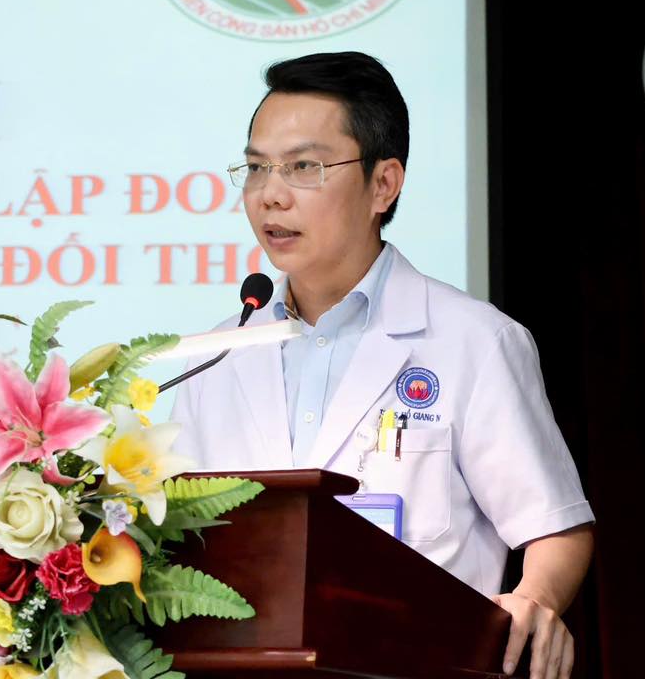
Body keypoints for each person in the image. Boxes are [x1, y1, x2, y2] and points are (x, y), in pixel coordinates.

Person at [169, 51, 594, 679]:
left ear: (383, 184)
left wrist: (537, 597)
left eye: (304, 167)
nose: (270, 196)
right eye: (256, 168)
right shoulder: (215, 356)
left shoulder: (474, 341)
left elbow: (554, 525)